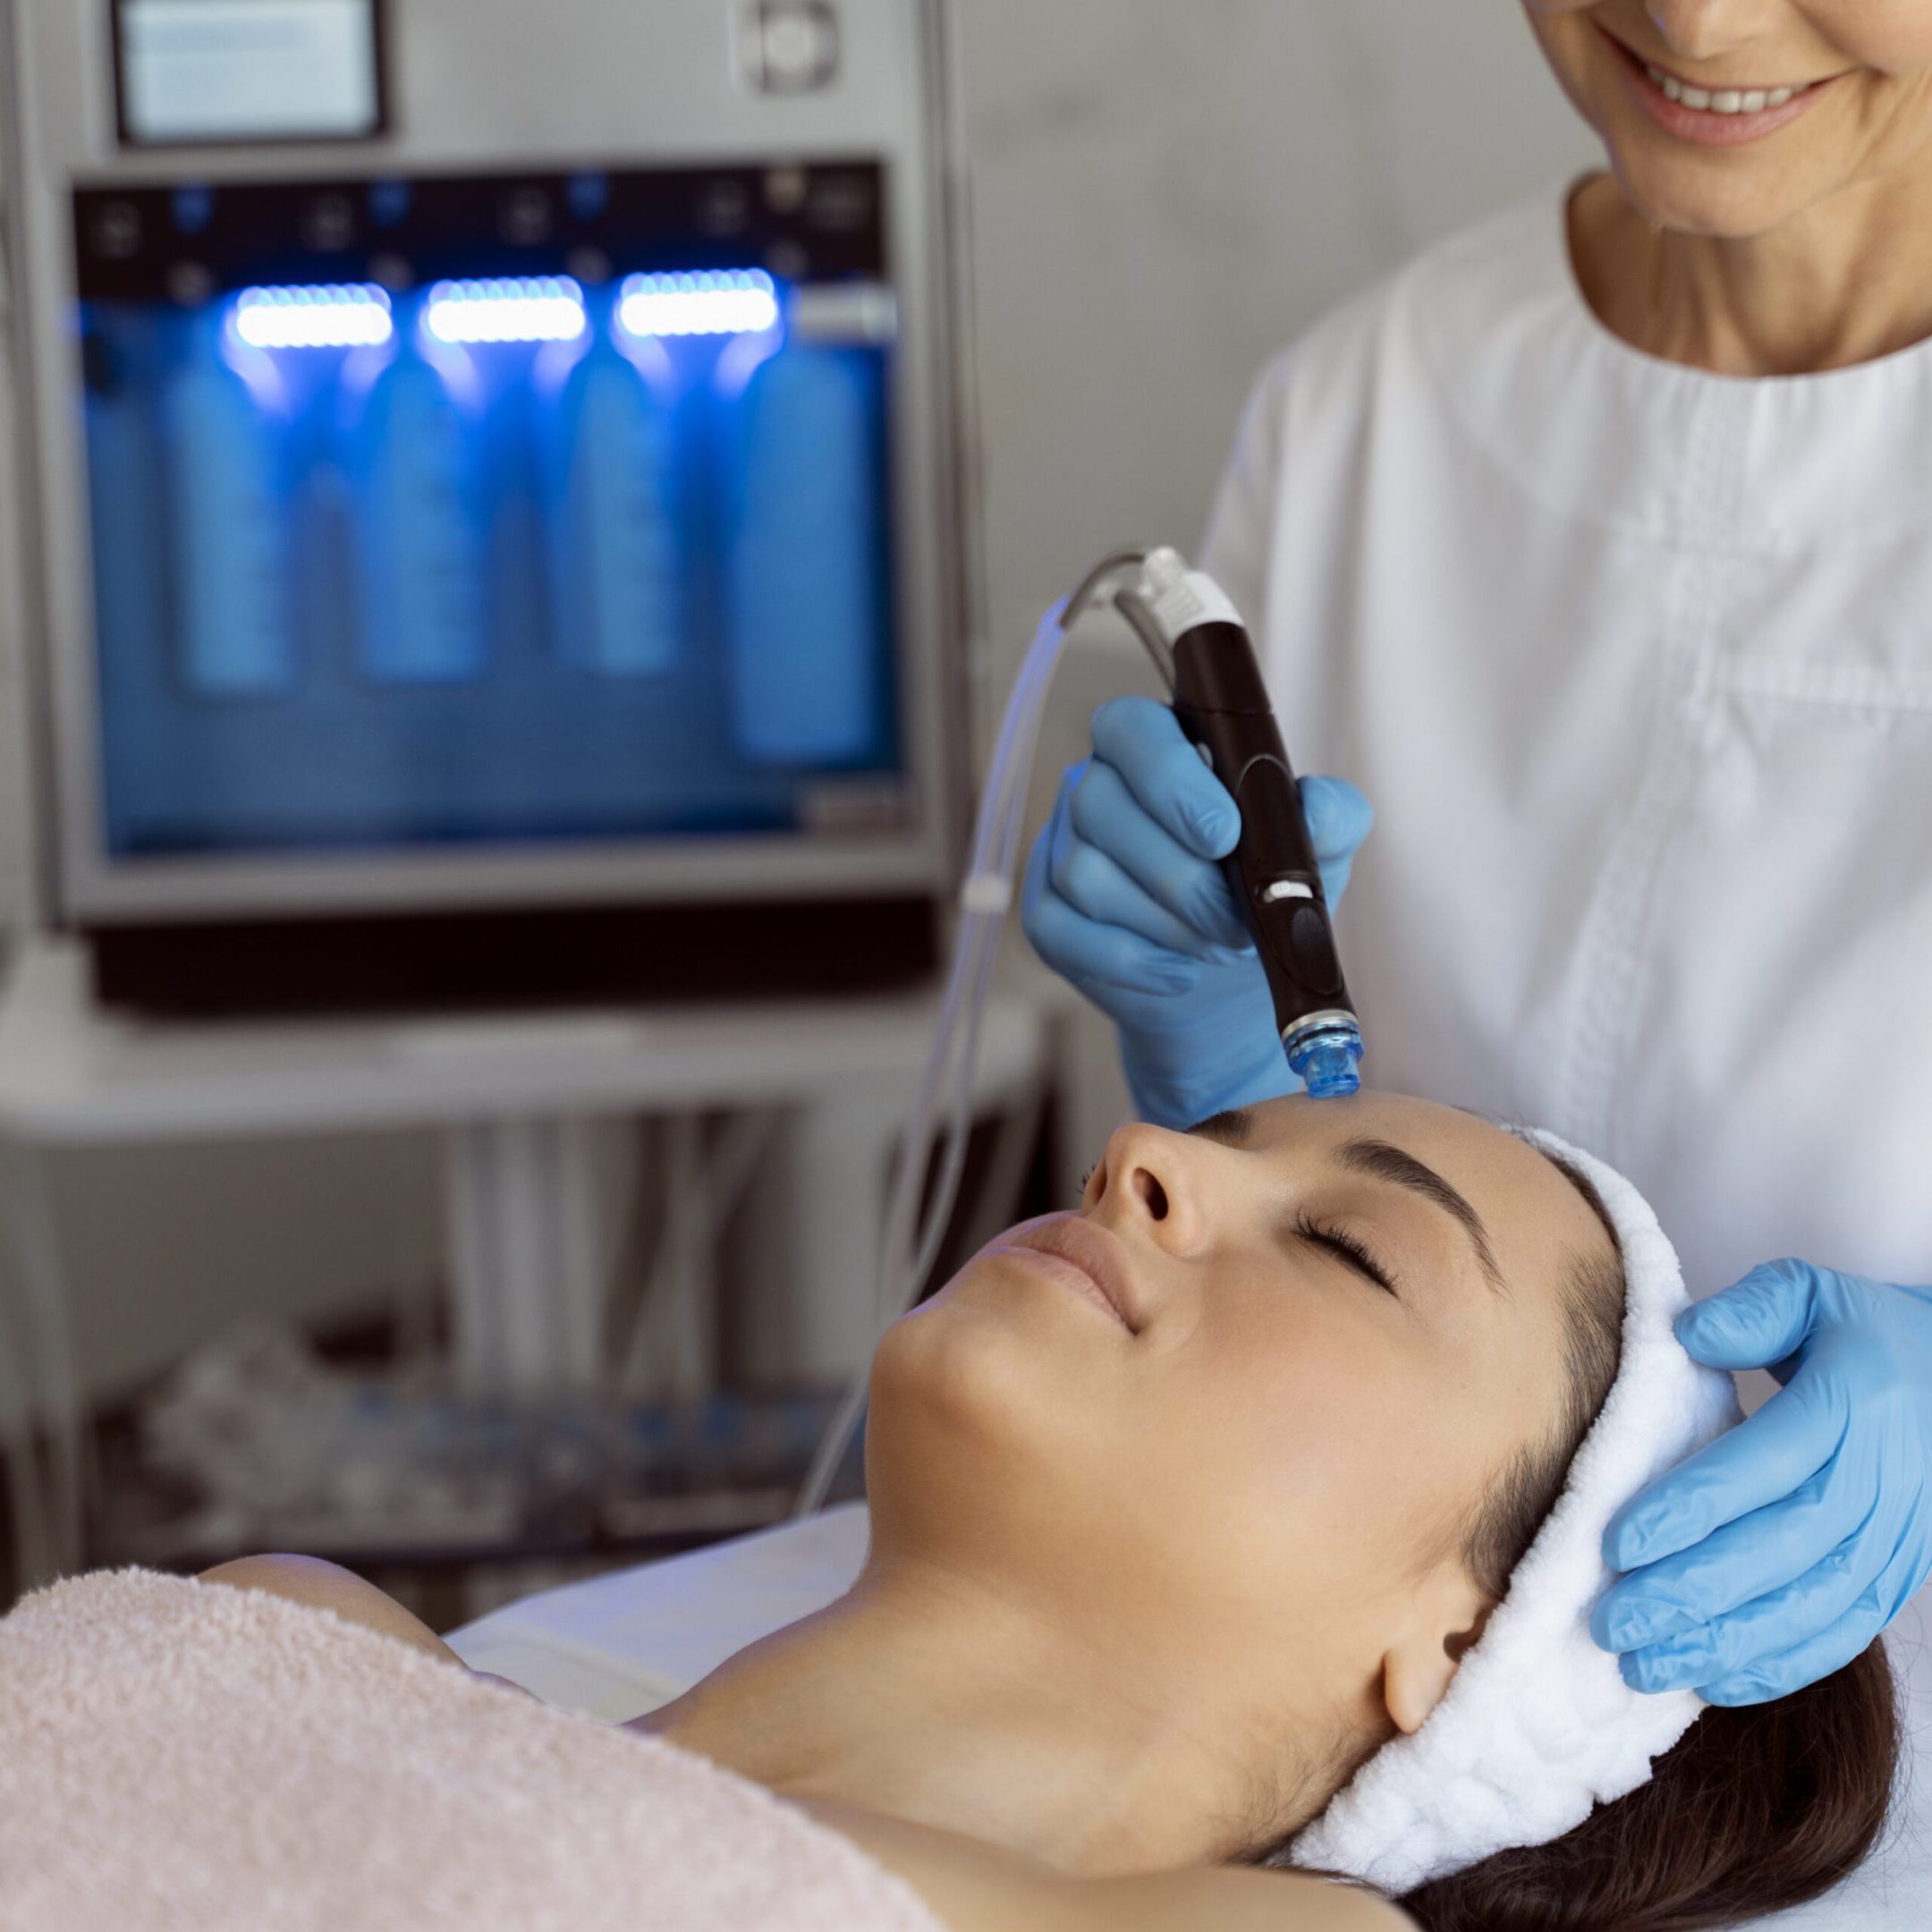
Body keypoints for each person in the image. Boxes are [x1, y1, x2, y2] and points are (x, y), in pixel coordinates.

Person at [1022, 0, 1932, 1767]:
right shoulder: (1377, 400)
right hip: (1361, 1752)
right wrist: (1237, 1085)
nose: (1699, 18)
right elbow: (1300, 1202)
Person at [204, 1094, 1897, 1932]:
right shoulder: (295, 1645)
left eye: (1348, 1249)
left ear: (1460, 1645)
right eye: (1220, 1130)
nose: (1143, 1148)